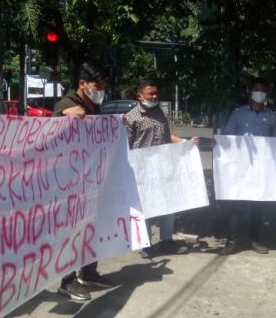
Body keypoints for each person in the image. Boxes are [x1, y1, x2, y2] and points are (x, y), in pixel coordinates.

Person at [53, 62, 117, 301]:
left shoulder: (93, 106)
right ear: (82, 84)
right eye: (96, 86)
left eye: (103, 87)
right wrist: (62, 116)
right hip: (69, 183)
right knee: (71, 233)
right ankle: (67, 281)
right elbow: (50, 132)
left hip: (91, 181)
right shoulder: (66, 105)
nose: (101, 91)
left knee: (92, 229)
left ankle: (89, 272)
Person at [124, 78, 199, 258]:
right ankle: (146, 244)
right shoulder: (131, 117)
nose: (155, 96)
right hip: (142, 170)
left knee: (167, 205)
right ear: (139, 95)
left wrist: (185, 142)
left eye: (156, 93)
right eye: (151, 93)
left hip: (163, 167)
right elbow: (125, 145)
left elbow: (167, 136)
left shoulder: (160, 114)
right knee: (147, 208)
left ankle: (167, 241)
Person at [219, 77, 276, 255]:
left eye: (263, 91)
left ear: (266, 94)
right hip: (240, 169)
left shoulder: (272, 116)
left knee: (257, 206)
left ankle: (254, 240)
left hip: (260, 170)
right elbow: (227, 138)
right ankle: (231, 241)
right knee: (235, 205)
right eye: (257, 89)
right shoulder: (238, 113)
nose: (259, 94)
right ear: (250, 92)